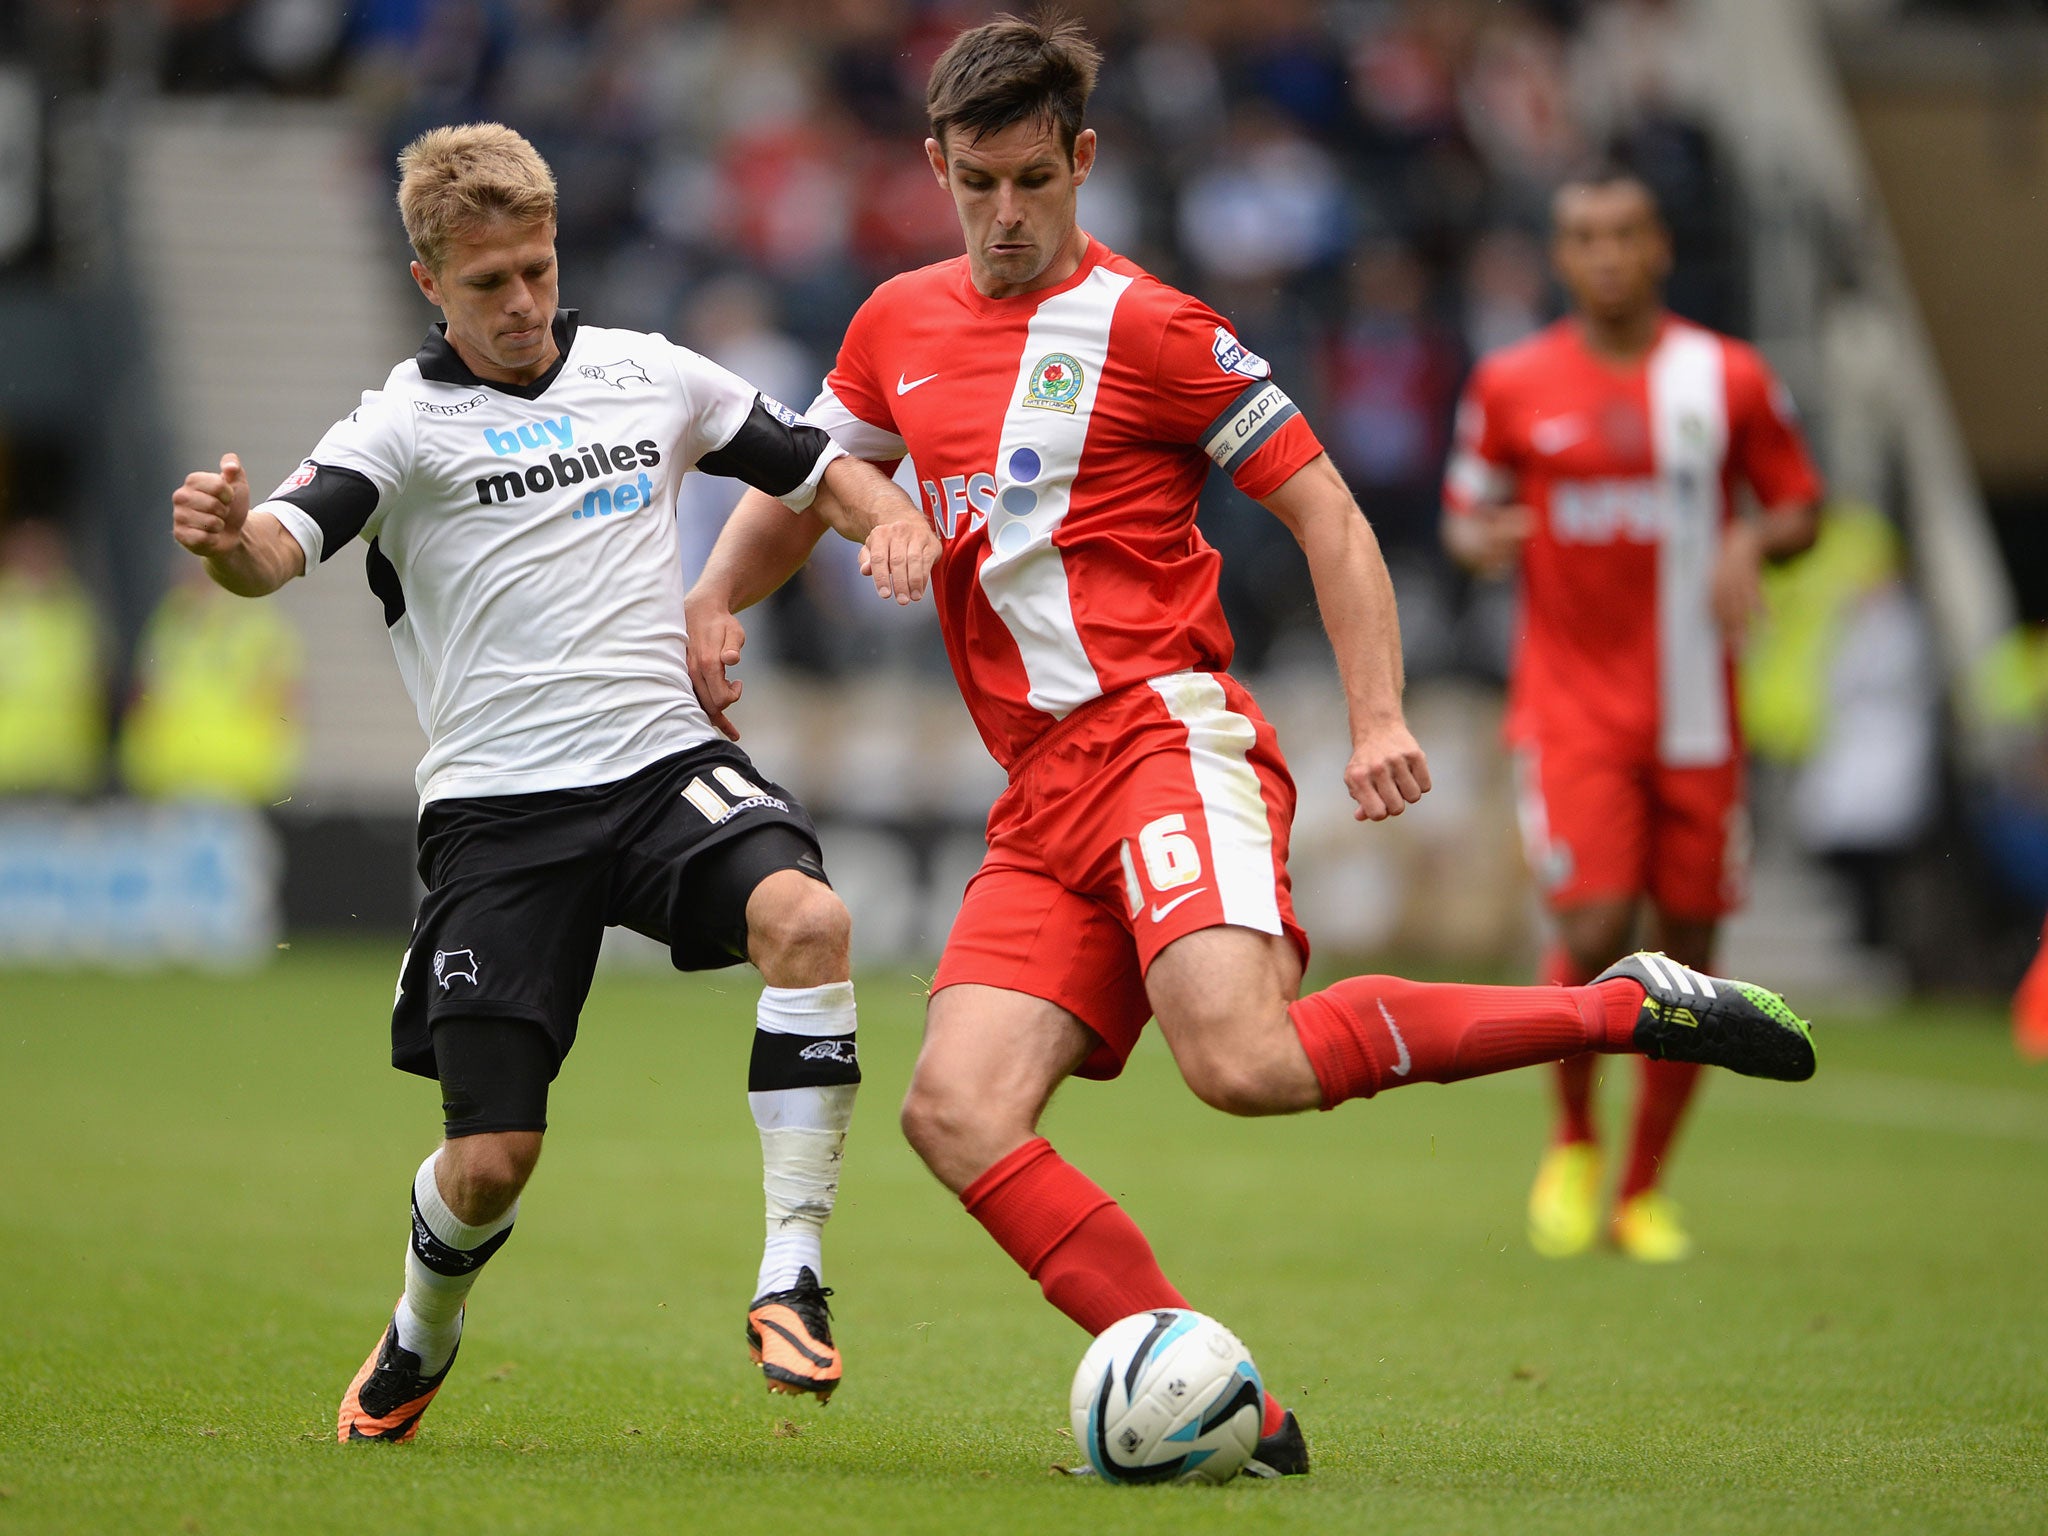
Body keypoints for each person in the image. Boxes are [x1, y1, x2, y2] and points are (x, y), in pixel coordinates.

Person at [685, 16, 1816, 1477]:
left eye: (1035, 179)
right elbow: (808, 480)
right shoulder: (895, 322)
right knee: (954, 1112)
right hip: (1038, 796)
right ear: (936, 168)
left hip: (1166, 738)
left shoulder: (1157, 328)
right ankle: (1231, 1410)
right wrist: (716, 592)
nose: (1008, 214)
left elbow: (1330, 512)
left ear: (1084, 161)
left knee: (1247, 1062)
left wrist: (1381, 712)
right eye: (979, 184)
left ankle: (1620, 1006)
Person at [168, 123, 939, 1443]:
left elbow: (817, 467)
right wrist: (227, 540)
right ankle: (421, 1332)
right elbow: (274, 554)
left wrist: (895, 519)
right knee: (488, 1165)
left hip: (661, 767)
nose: (522, 302)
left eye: (537, 268)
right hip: (498, 819)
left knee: (809, 922)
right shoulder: (399, 428)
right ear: (428, 282)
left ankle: (792, 1271)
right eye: (488, 283)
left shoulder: (649, 374)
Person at [1440, 167, 1823, 1263]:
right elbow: (1464, 515)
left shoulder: (1728, 377)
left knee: (1693, 953)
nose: (1604, 255)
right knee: (1597, 924)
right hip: (1569, 709)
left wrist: (1751, 537)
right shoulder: (1511, 382)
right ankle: (1570, 1140)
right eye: (1581, 237)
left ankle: (1640, 1192)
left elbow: (1798, 501)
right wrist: (1481, 543)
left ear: (1657, 246)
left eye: (1623, 234)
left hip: (1699, 712)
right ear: (1559, 258)